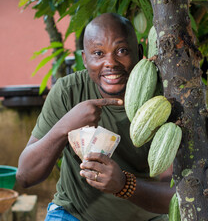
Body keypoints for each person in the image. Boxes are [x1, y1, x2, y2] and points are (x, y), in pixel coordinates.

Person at [16, 13, 175, 221]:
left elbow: (175, 196)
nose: (110, 62)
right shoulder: (68, 91)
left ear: (139, 53)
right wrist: (66, 125)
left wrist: (124, 185)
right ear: (85, 59)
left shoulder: (166, 100)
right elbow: (25, 176)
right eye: (98, 53)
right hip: (73, 214)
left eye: (122, 51)